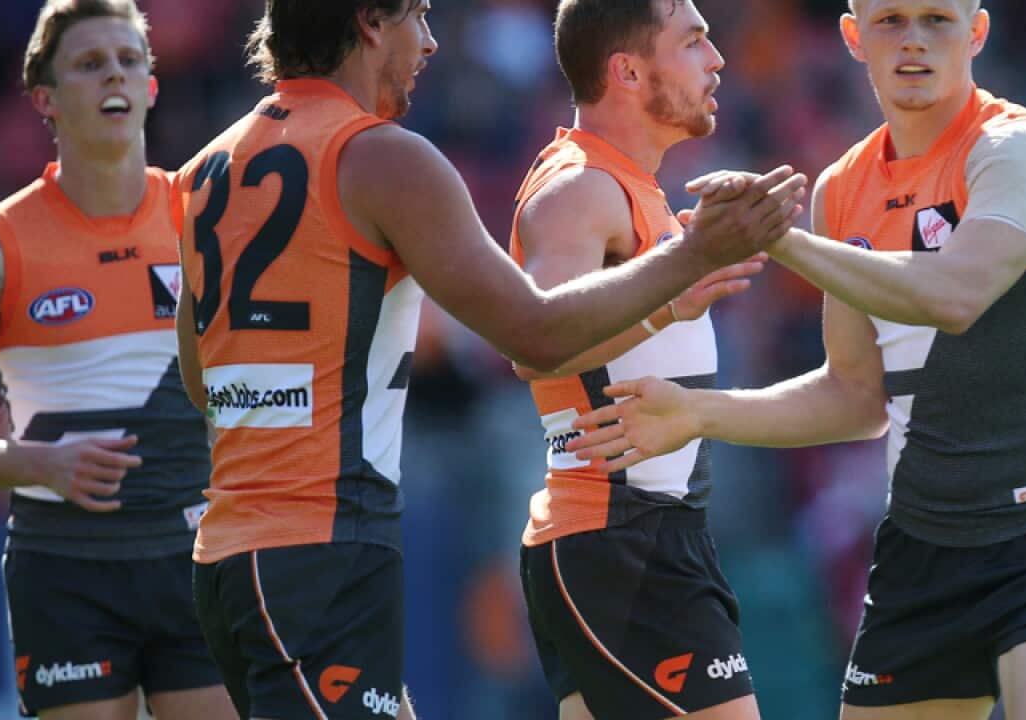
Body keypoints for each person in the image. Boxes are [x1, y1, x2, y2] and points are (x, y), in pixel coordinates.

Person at [170, 2, 804, 719]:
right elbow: (532, 334)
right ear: (371, 21)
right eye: (418, 16)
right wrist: (691, 257)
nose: (432, 42)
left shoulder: (203, 169)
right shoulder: (384, 155)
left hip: (230, 552)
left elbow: (202, 380)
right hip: (322, 546)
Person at [567, 1, 1026, 719]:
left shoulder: (1019, 149)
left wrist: (778, 238)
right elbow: (853, 396)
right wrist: (693, 412)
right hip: (924, 551)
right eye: (891, 20)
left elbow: (957, 292)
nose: (913, 41)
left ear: (977, 32)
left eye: (937, 19)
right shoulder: (843, 188)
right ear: (852, 36)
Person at [0, 2, 237, 719]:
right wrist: (38, 463)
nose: (113, 75)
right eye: (89, 64)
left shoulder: (209, 221)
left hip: (197, 559)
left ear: (150, 86)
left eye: (128, 60)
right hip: (66, 569)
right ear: (45, 101)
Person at [509, 1, 782, 719]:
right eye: (693, 42)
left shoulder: (631, 187)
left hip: (648, 537)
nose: (717, 60)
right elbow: (536, 347)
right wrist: (671, 298)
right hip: (619, 539)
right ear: (628, 70)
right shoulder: (579, 188)